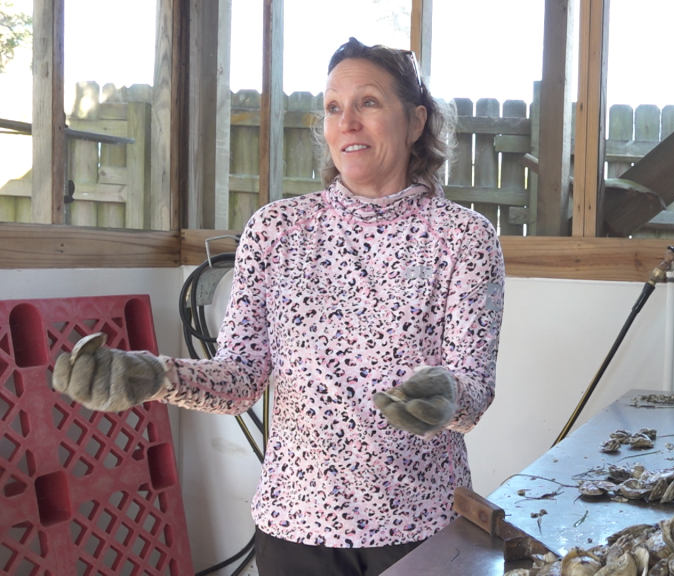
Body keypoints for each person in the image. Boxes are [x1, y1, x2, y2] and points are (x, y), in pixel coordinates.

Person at [52, 37, 505, 576]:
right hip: (295, 530)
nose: (347, 123)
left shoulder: (464, 238)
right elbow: (240, 379)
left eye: (369, 103)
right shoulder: (277, 230)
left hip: (422, 526)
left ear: (415, 122)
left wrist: (446, 397)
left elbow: (474, 392)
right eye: (334, 108)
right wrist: (153, 376)